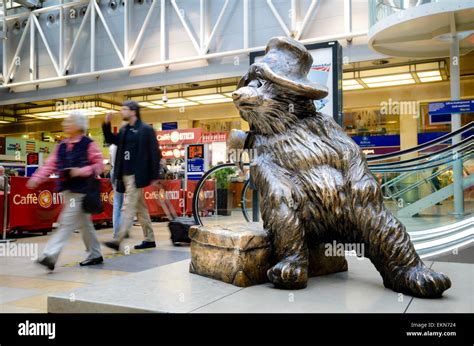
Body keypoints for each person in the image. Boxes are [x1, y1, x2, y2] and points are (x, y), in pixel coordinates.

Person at [26, 111, 104, 271]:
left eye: (68, 121)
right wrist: (37, 177)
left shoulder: (88, 144)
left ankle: (50, 255)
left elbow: (99, 166)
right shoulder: (60, 146)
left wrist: (81, 171)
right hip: (67, 191)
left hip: (82, 191)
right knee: (84, 224)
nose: (64, 124)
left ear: (78, 125)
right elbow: (50, 165)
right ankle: (95, 254)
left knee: (66, 222)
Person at [102, 101, 161, 251]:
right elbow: (110, 140)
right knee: (140, 209)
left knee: (127, 207)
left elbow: (155, 153)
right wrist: (106, 124)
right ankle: (149, 238)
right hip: (125, 175)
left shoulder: (146, 130)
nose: (122, 112)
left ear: (133, 111)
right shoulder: (124, 130)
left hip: (137, 176)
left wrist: (155, 175)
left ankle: (118, 239)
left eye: (124, 109)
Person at [109, 144, 124, 239]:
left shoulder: (112, 146)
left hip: (113, 171)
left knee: (117, 203)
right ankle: (120, 231)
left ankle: (116, 232)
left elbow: (111, 161)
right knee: (122, 204)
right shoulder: (123, 144)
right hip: (121, 172)